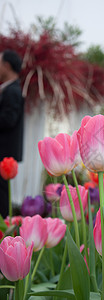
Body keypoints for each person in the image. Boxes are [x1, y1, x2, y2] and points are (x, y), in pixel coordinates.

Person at [0, 50, 24, 218]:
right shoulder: (8, 89)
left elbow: (9, 119)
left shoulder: (13, 91)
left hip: (3, 151)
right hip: (4, 151)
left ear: (6, 65)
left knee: (1, 194)